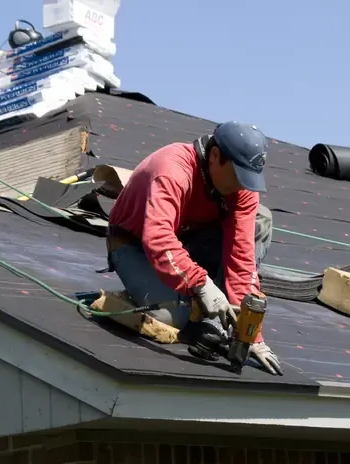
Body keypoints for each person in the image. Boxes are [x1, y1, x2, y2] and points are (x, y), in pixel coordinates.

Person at [105, 121, 282, 375]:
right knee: (171, 318)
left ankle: (212, 312)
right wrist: (201, 284)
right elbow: (157, 239)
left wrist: (251, 333)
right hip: (135, 246)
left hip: (185, 242)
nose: (243, 186)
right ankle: (143, 298)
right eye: (238, 176)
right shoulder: (173, 170)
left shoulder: (241, 186)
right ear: (215, 156)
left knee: (260, 219)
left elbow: (241, 259)